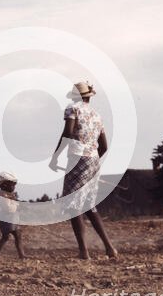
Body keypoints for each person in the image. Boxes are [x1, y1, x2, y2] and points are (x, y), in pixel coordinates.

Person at [50, 81, 118, 259]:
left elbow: (67, 133)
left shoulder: (72, 109)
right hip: (93, 160)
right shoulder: (97, 115)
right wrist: (91, 160)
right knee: (88, 205)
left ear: (74, 96)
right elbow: (104, 146)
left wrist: (55, 156)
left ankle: (84, 251)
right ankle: (110, 248)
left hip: (78, 159)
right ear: (89, 96)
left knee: (74, 205)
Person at [0, 171, 26, 259]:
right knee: (5, 237)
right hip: (5, 218)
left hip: (13, 218)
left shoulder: (10, 194)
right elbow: (7, 208)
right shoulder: (3, 195)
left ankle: (22, 255)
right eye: (12, 185)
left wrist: (19, 205)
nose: (14, 187)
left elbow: (14, 204)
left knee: (18, 235)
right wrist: (17, 206)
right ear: (5, 185)